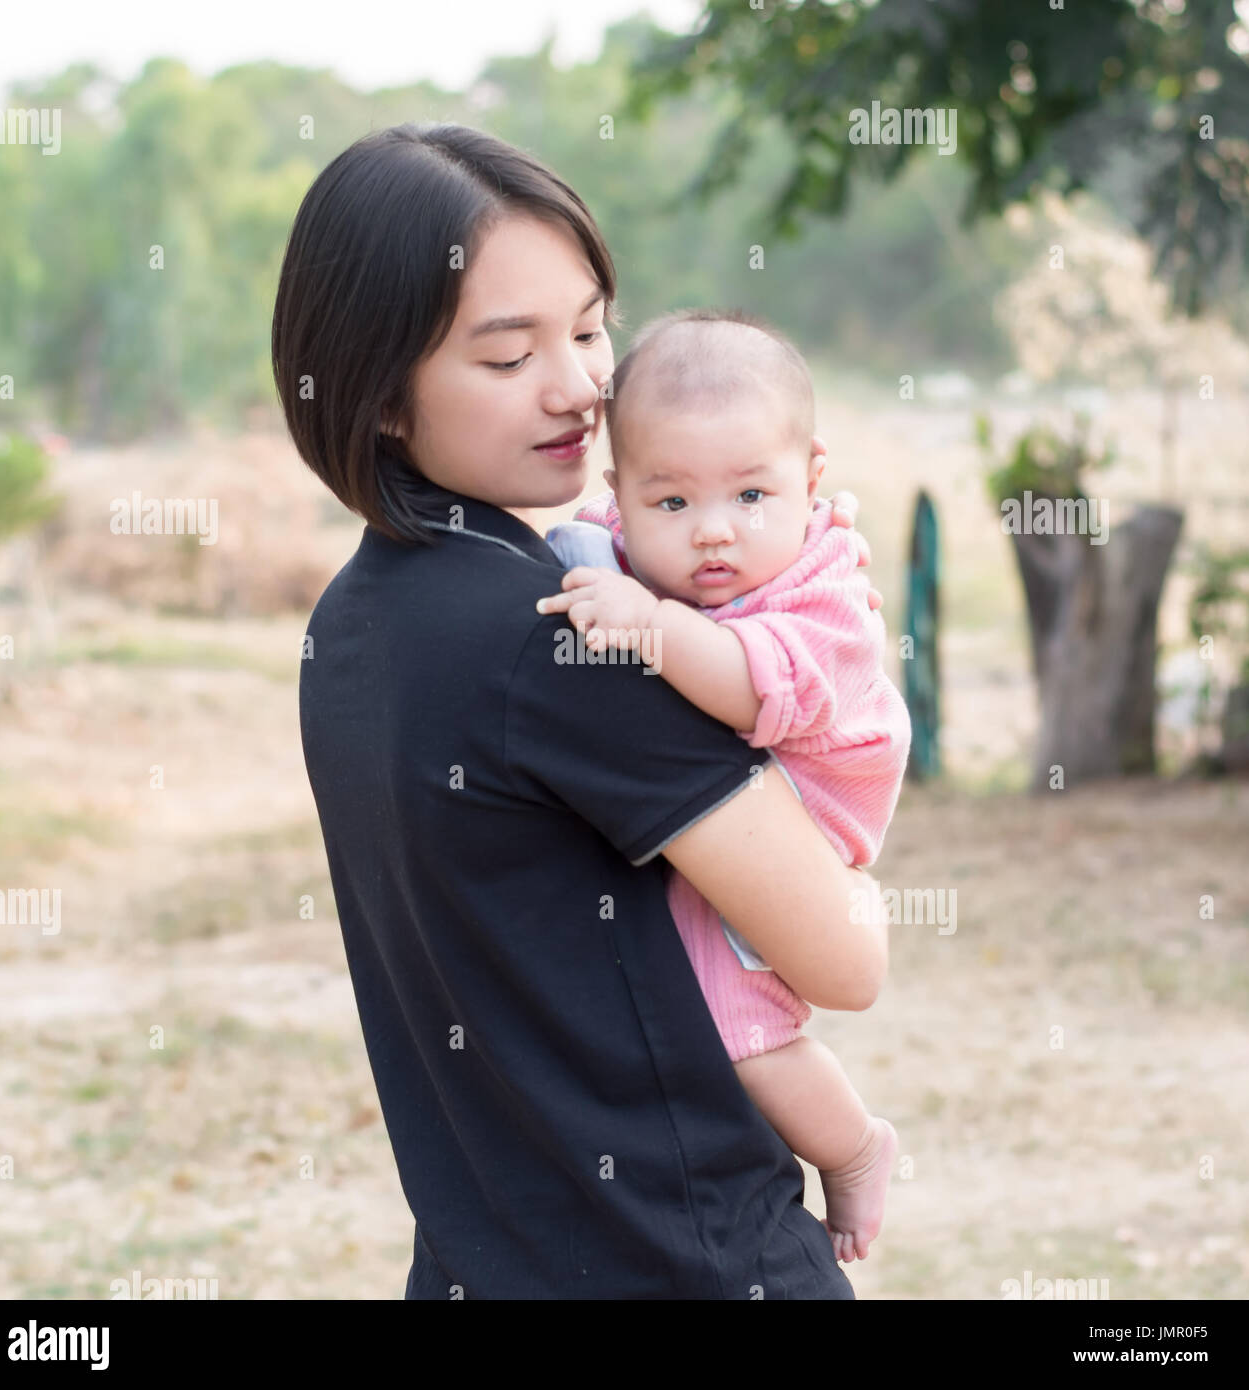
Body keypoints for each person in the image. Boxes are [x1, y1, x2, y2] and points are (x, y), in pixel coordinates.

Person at [273, 121, 889, 1299]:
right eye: (507, 358)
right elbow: (842, 957)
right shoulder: (565, 631)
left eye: (592, 329)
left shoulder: (350, 621)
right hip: (680, 1256)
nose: (578, 387)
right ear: (380, 395)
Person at [541, 308, 911, 1263]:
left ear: (811, 480)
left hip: (813, 794)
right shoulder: (632, 544)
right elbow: (584, 559)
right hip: (743, 789)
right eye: (672, 505)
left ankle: (854, 1146)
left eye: (752, 494)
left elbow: (752, 685)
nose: (713, 535)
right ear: (619, 496)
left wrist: (650, 626)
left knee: (737, 1024)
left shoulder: (824, 590)